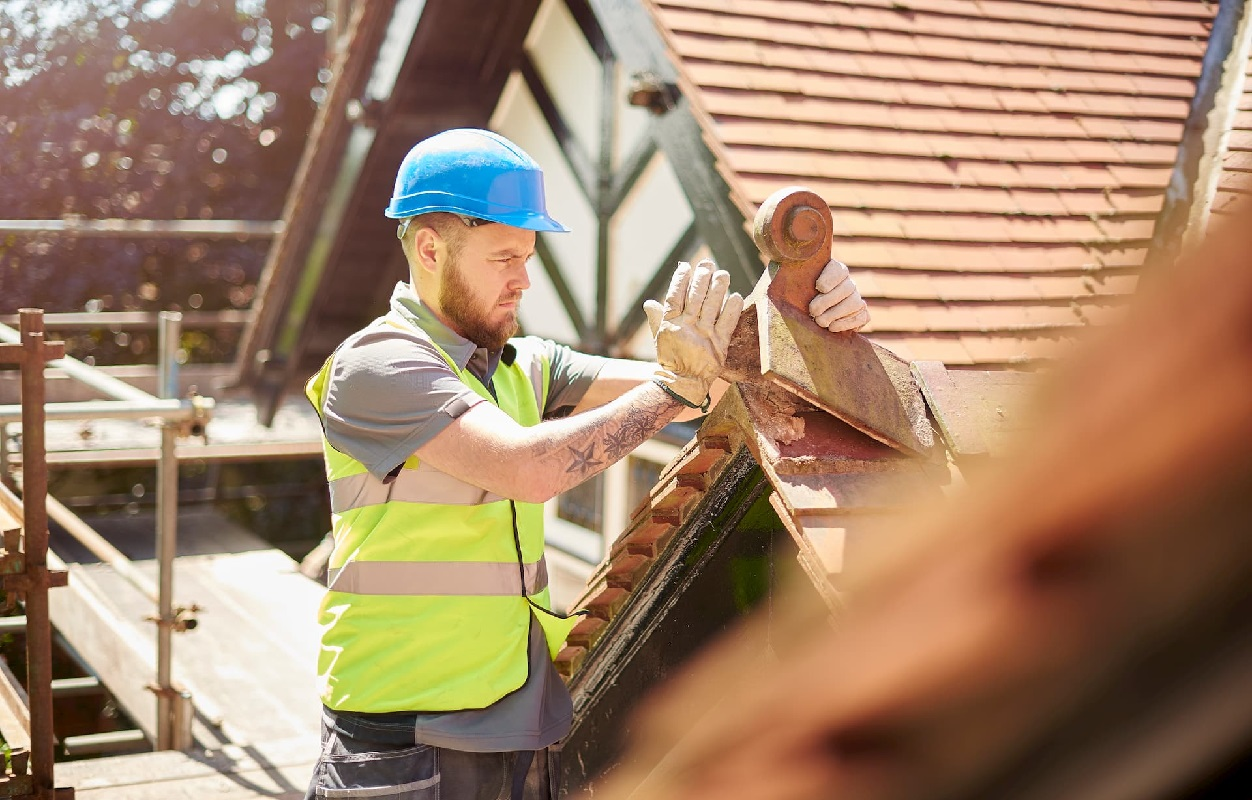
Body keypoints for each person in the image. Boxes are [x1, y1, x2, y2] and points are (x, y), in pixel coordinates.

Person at [301, 128, 871, 800]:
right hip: (404, 743)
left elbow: (710, 384)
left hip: (515, 726)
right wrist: (673, 389)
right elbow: (529, 467)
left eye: (530, 255)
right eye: (504, 257)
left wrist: (805, 311)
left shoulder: (524, 366)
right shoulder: (377, 365)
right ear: (430, 248)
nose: (524, 277)